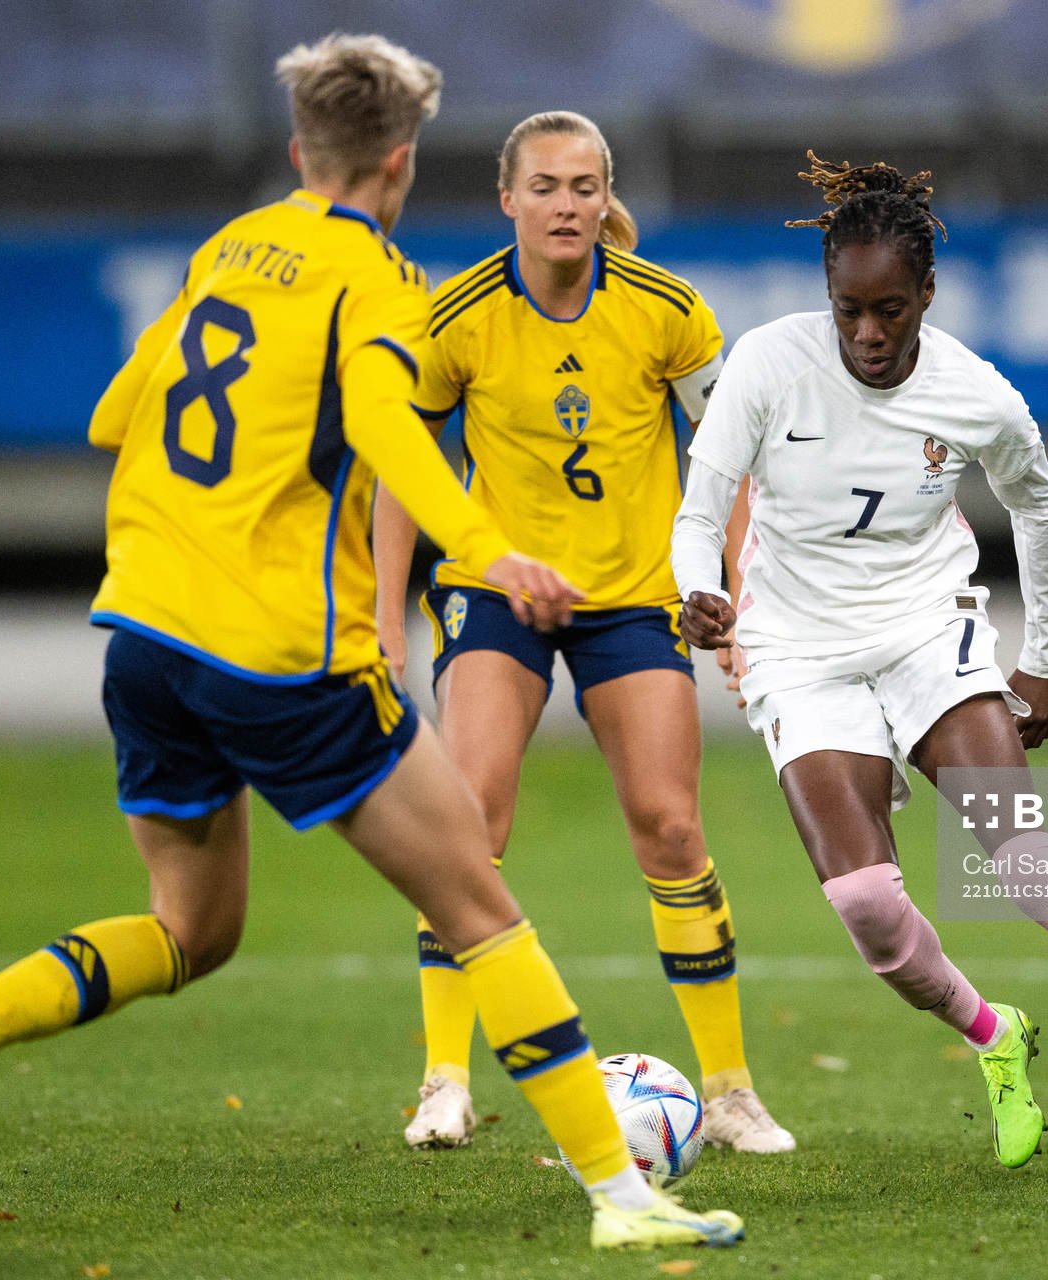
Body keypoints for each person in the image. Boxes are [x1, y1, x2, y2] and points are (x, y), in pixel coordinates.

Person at [0, 35, 743, 1251]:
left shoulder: (230, 248)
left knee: (190, 927)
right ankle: (622, 1196)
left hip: (140, 626)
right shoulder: (379, 285)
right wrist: (493, 553)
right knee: (482, 902)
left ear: (297, 153)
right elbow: (394, 433)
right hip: (276, 646)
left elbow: (113, 413)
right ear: (402, 159)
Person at [670, 152, 1048, 1196]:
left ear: (927, 295)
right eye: (848, 309)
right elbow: (701, 506)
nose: (866, 333)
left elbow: (1035, 505)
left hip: (922, 626)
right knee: (866, 902)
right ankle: (993, 1032)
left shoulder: (975, 391)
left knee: (1026, 861)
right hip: (798, 646)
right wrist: (698, 590)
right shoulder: (767, 364)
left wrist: (1042, 659)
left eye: (888, 309)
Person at [372, 110, 791, 1157]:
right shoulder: (456, 313)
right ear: (506, 198)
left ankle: (732, 1091)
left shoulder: (667, 309)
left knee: (672, 827)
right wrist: (384, 615)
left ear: (608, 199)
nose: (567, 205)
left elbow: (727, 455)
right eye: (547, 186)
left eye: (585, 185)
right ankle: (444, 1080)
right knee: (468, 822)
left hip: (630, 590)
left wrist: (740, 597)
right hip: (495, 590)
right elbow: (401, 475)